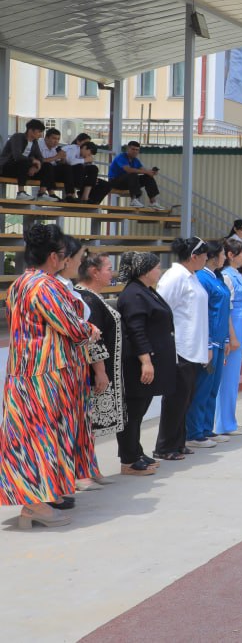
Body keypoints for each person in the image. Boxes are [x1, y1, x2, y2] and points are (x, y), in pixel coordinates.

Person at [0, 224, 100, 527]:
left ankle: (42, 499)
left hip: (27, 372)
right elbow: (72, 327)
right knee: (41, 439)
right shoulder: (44, 286)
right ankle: (35, 506)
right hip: (45, 377)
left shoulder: (20, 283)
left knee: (32, 439)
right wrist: (90, 329)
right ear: (54, 257)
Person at [52, 236, 110, 491]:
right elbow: (81, 329)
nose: (80, 263)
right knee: (70, 423)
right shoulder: (57, 288)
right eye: (78, 258)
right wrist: (99, 368)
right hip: (67, 363)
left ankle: (86, 468)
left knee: (83, 421)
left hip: (78, 362)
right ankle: (75, 474)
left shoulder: (70, 287)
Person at [115, 252, 172, 477]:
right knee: (133, 411)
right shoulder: (133, 295)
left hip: (151, 359)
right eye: (157, 267)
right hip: (137, 363)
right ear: (145, 271)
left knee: (139, 410)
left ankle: (136, 451)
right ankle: (129, 459)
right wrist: (146, 361)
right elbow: (136, 331)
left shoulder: (145, 291)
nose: (160, 271)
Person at [154, 238, 211, 459]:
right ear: (193, 257)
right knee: (175, 399)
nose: (207, 258)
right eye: (204, 255)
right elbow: (162, 308)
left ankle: (178, 442)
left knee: (186, 398)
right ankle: (165, 447)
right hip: (180, 347)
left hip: (193, 347)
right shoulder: (175, 276)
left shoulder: (192, 276)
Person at [75, 253, 125, 465]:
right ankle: (83, 469)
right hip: (90, 372)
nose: (112, 273)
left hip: (99, 369)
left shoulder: (93, 296)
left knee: (90, 424)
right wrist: (100, 371)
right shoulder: (86, 298)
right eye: (108, 269)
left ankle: (89, 467)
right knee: (86, 422)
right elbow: (93, 338)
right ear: (94, 272)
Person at [188, 240, 234, 448]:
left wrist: (226, 339)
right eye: (223, 254)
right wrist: (207, 343)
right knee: (203, 388)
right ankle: (194, 432)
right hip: (210, 341)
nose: (225, 257)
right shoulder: (202, 279)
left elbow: (223, 311)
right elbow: (203, 313)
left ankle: (207, 428)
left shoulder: (218, 277)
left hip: (220, 340)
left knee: (213, 388)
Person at [215, 239, 242, 437]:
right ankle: (224, 424)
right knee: (228, 381)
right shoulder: (227, 275)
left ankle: (228, 421)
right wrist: (231, 336)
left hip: (240, 330)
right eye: (241, 253)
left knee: (232, 380)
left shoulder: (237, 273)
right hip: (234, 332)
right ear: (231, 255)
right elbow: (228, 308)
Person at [1, 118, 57, 201]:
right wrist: (32, 161)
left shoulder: (34, 142)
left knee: (48, 166)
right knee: (23, 162)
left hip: (25, 169)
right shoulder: (18, 137)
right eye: (39, 132)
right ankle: (21, 193)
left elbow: (40, 158)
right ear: (31, 130)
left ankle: (42, 194)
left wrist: (35, 167)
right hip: (7, 168)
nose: (41, 135)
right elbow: (17, 156)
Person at [107, 141, 164, 210]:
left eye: (137, 150)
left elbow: (143, 170)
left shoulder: (136, 160)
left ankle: (153, 203)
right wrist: (146, 172)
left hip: (127, 182)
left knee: (147, 177)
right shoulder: (121, 157)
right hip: (114, 182)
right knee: (133, 174)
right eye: (133, 149)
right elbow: (128, 170)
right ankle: (133, 200)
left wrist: (151, 172)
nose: (135, 151)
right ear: (128, 149)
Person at [34, 127, 74, 201]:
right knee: (48, 166)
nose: (56, 141)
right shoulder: (38, 144)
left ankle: (70, 195)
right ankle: (44, 193)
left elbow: (58, 164)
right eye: (54, 138)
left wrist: (63, 158)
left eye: (58, 139)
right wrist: (56, 157)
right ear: (46, 138)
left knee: (67, 167)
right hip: (38, 170)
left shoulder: (56, 148)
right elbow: (40, 161)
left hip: (50, 172)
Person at [61, 136, 101, 203]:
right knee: (78, 166)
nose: (89, 155)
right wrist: (85, 160)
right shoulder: (73, 148)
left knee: (94, 168)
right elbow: (70, 162)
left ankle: (85, 197)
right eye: (90, 153)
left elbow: (89, 167)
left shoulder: (84, 156)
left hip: (77, 174)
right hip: (64, 171)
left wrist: (93, 177)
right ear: (85, 147)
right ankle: (71, 195)